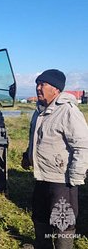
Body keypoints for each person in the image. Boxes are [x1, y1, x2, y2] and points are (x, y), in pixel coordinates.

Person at [21, 69, 88, 249]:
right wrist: (28, 156)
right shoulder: (40, 111)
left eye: (43, 84)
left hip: (62, 179)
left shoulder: (68, 111)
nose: (38, 88)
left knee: (63, 222)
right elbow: (37, 138)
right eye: (37, 84)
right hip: (41, 175)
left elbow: (82, 145)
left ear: (56, 89)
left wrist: (75, 178)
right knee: (40, 216)